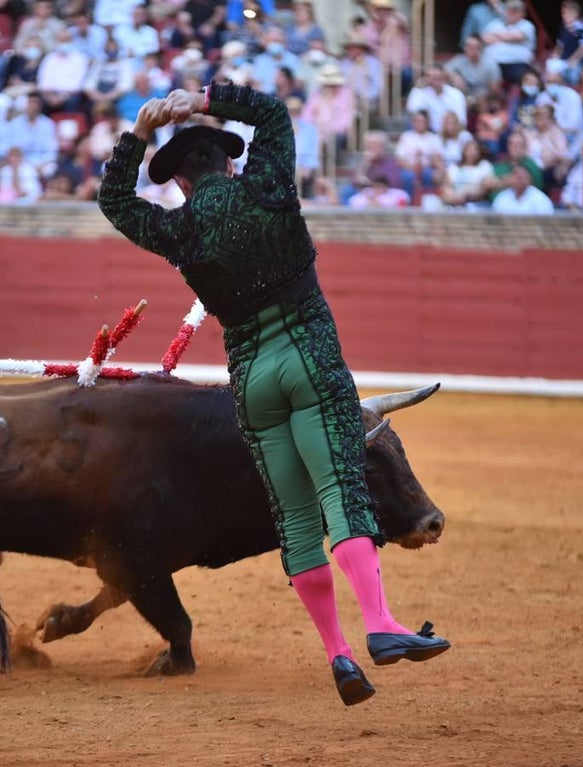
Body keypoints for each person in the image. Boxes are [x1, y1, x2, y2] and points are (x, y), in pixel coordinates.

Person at [97, 83, 451, 706]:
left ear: (179, 182)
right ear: (229, 162)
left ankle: (339, 655)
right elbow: (272, 113)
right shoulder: (267, 184)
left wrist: (140, 130)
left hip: (253, 376)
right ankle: (380, 626)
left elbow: (114, 199)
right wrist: (202, 98)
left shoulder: (178, 230)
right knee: (340, 490)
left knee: (293, 519)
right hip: (310, 356)